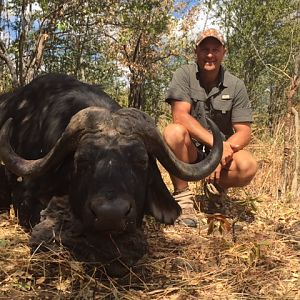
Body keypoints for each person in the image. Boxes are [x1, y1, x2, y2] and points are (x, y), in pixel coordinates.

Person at [163, 28, 258, 227]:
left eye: (215, 49)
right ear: (196, 51)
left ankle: (215, 192)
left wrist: (223, 151)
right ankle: (183, 198)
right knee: (172, 132)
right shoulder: (184, 74)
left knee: (248, 165)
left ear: (224, 52)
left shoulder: (236, 85)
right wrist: (218, 146)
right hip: (191, 152)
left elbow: (244, 131)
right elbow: (180, 116)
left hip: (224, 155)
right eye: (204, 49)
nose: (209, 55)